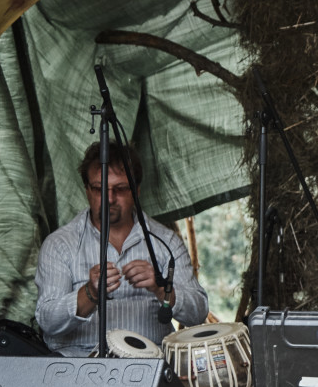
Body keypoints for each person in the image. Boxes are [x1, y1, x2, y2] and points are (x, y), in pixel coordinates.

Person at [35, 141, 209, 356]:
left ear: (136, 190)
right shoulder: (60, 244)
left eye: (120, 189)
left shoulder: (166, 242)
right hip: (78, 365)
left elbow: (198, 314)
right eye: (99, 189)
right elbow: (47, 321)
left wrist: (161, 288)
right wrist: (89, 293)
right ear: (87, 190)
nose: (109, 199)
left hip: (149, 364)